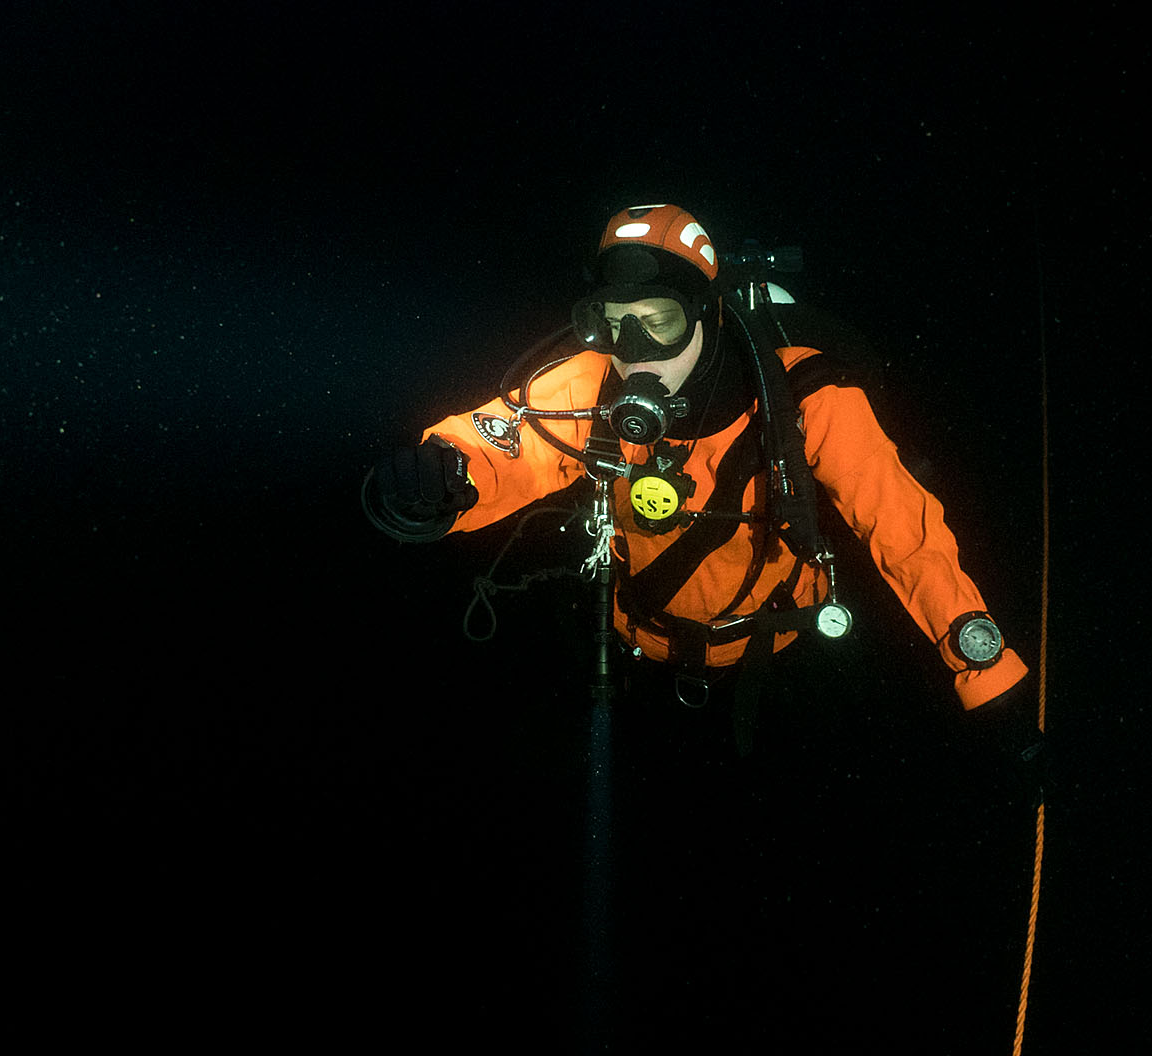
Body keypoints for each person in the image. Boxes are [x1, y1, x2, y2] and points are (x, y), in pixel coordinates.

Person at [363, 203, 1030, 733]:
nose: (635, 352)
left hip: (779, 666)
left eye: (660, 322)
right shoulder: (592, 383)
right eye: (613, 324)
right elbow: (506, 438)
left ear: (707, 312)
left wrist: (983, 664)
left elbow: (903, 530)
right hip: (634, 664)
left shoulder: (805, 397)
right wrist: (443, 476)